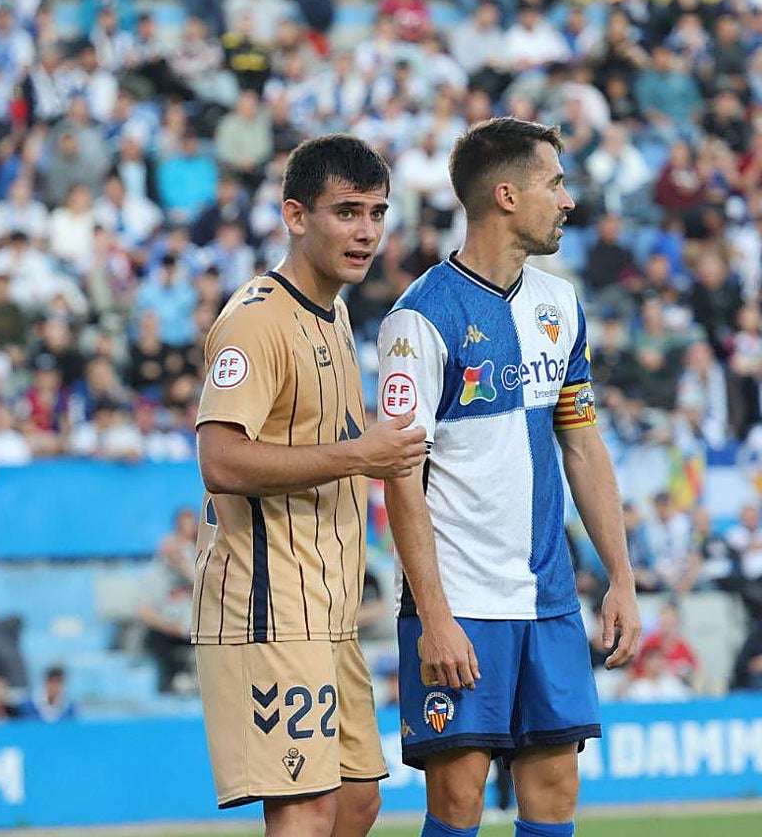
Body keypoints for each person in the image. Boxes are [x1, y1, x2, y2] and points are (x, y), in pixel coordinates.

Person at [376, 118, 641, 837]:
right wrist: (434, 616)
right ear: (504, 196)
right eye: (554, 183)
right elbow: (400, 478)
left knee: (555, 788)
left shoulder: (560, 306)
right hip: (461, 600)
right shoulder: (419, 321)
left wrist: (620, 576)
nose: (567, 200)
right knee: (459, 800)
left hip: (549, 599)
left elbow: (582, 446)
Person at [192, 134, 427, 837]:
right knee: (306, 808)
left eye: (377, 212)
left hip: (329, 604)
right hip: (267, 596)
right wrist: (360, 454)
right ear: (296, 216)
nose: (366, 232)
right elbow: (221, 461)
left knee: (358, 802)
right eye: (346, 211)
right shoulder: (257, 319)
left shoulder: (335, 311)